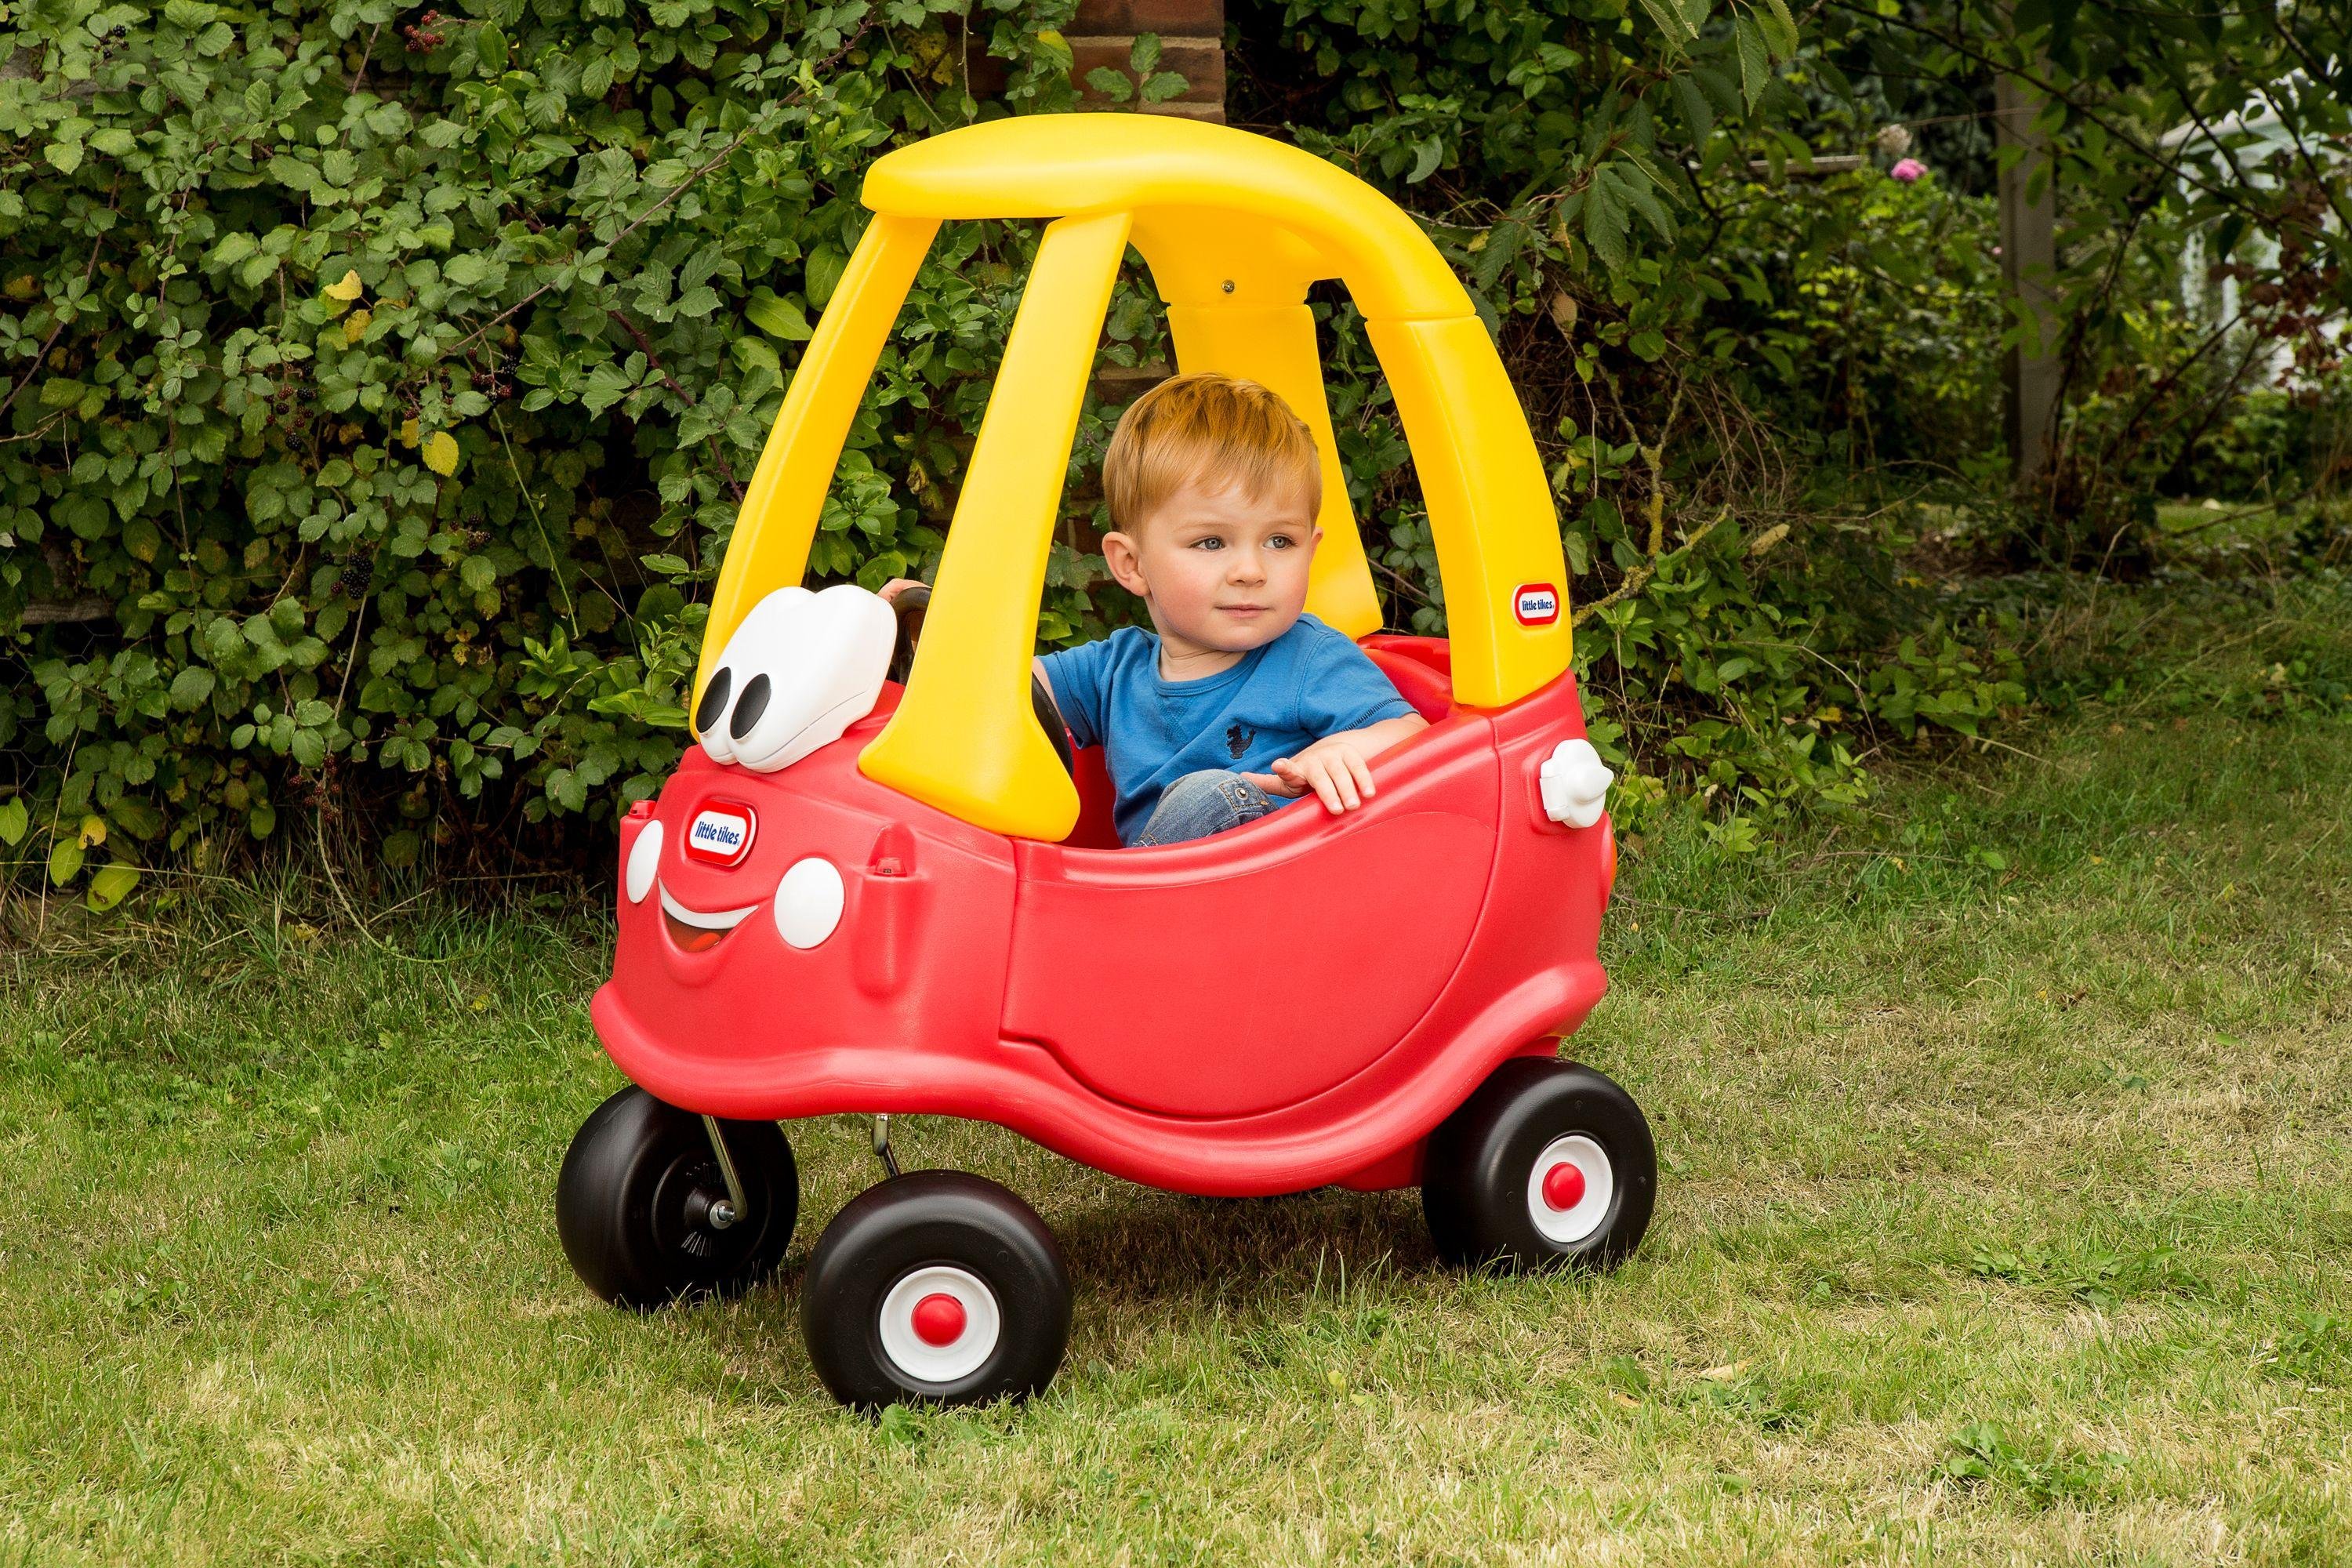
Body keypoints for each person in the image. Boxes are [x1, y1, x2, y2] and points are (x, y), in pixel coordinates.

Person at [881, 372, 1428, 847]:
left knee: (1208, 795)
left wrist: (1340, 751)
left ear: (1312, 548)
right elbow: (1004, 686)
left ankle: (1113, 921)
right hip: (1163, 902)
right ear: (1131, 564)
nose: (1251, 570)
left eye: (1279, 542)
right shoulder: (1113, 670)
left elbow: (1413, 736)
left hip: (1276, 893)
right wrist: (933, 637)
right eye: (1212, 543)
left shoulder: (1309, 659)